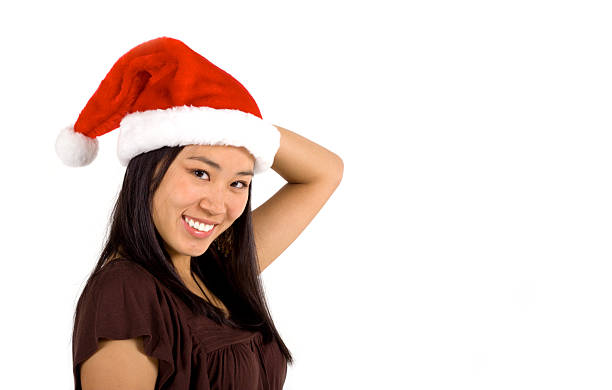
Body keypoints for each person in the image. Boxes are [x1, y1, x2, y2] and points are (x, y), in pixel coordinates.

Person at [56, 37, 343, 390]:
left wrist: (240, 123)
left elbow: (325, 172)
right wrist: (228, 123)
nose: (216, 205)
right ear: (148, 172)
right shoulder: (126, 294)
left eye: (238, 183)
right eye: (200, 174)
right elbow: (323, 174)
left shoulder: (217, 270)